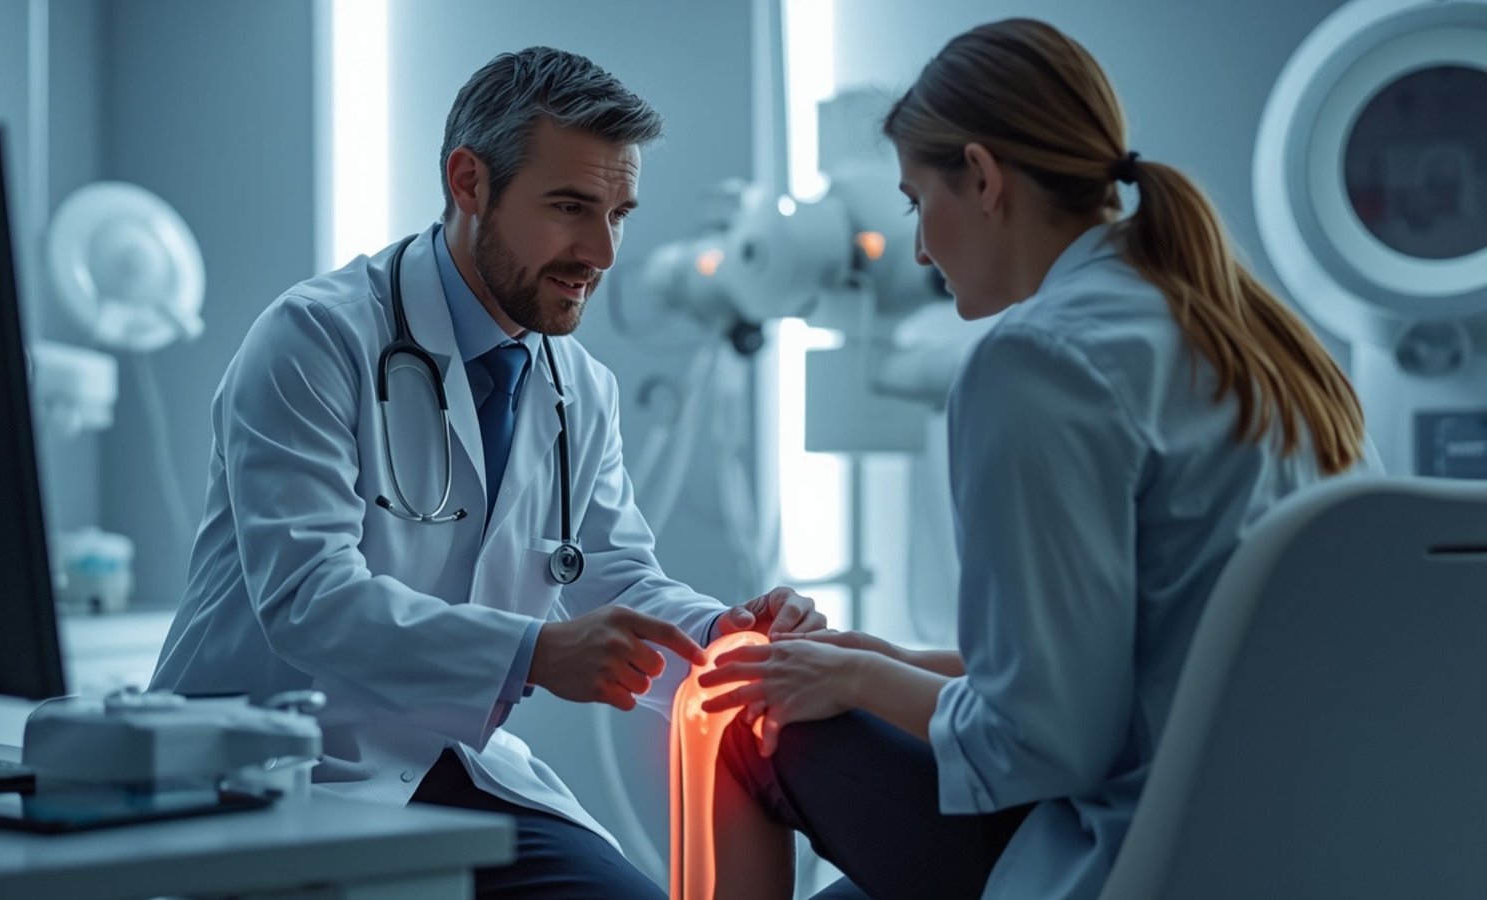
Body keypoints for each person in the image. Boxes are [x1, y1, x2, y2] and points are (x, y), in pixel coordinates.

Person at [695, 18, 1377, 900]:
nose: (917, 249)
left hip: (1141, 854)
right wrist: (891, 660)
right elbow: (1141, 663)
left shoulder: (1037, 362)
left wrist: (860, 677)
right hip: (1308, 841)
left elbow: (1046, 741)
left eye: (914, 202)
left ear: (981, 177)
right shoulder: (1253, 338)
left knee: (756, 727)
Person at [148, 46, 824, 898]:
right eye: (571, 207)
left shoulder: (578, 387)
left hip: (450, 767)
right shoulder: (315, 341)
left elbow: (611, 574)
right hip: (274, 767)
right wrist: (533, 654)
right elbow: (310, 603)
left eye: (620, 213)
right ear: (469, 182)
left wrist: (730, 638)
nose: (602, 252)